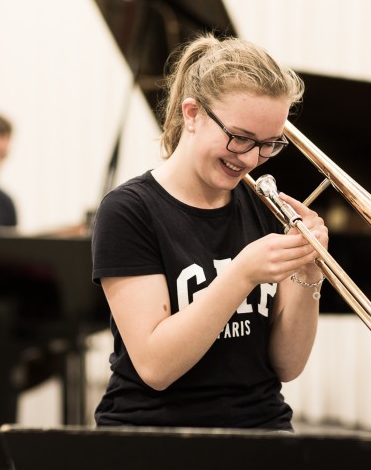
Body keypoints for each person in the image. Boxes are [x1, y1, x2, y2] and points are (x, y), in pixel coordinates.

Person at [91, 34, 328, 429]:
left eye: (268, 144)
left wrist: (309, 275)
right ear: (192, 114)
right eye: (239, 138)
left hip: (260, 426)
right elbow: (156, 366)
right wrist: (241, 273)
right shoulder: (128, 211)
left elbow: (287, 365)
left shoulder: (267, 206)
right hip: (154, 430)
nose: (251, 158)